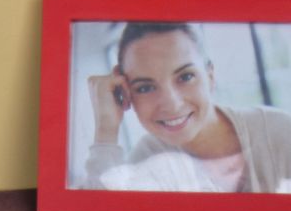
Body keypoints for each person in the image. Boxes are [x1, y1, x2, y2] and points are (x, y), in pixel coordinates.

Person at [84, 21, 291, 192]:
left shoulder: (280, 131)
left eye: (186, 76)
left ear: (210, 76)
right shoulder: (147, 157)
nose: (172, 104)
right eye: (145, 87)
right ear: (125, 95)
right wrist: (106, 129)